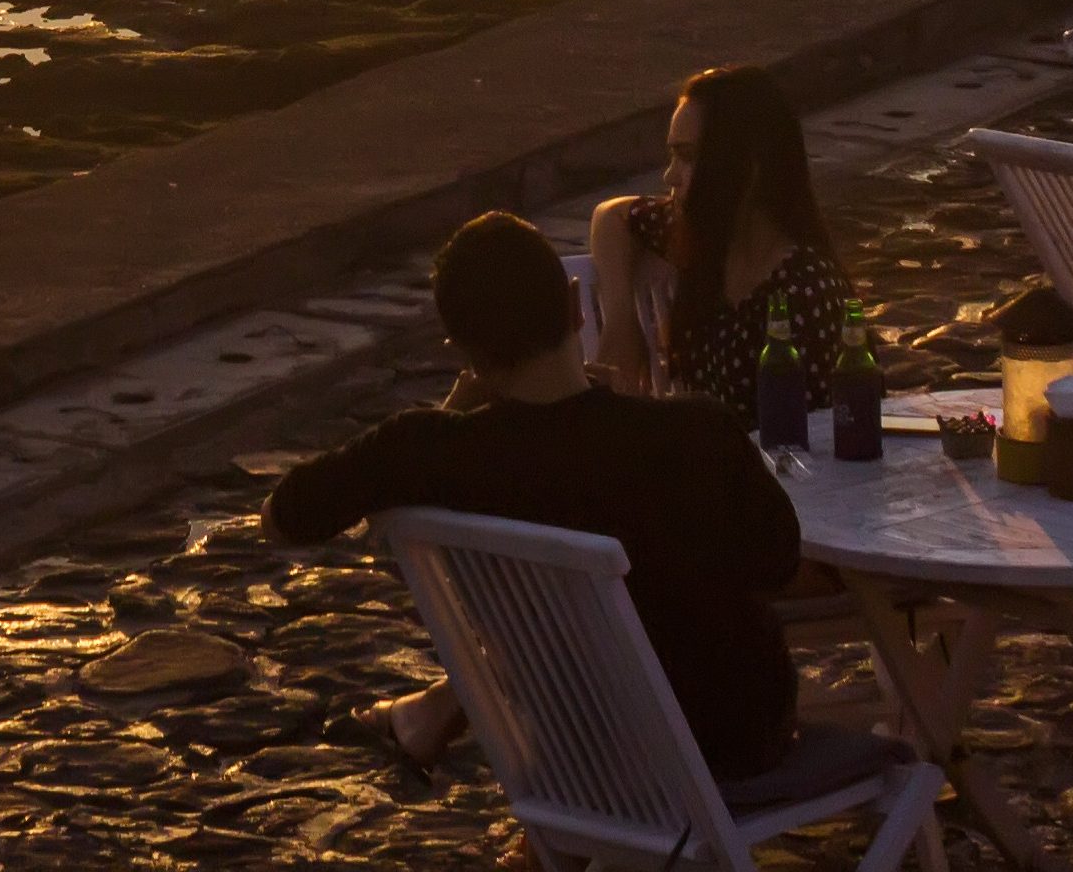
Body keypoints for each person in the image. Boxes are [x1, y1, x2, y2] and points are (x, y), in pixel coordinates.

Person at [266, 211, 814, 780]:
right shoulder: (697, 432)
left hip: (572, 758)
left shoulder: (432, 450)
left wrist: (454, 408)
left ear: (464, 349)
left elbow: (283, 517)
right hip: (732, 746)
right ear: (577, 307)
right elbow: (777, 561)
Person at [588, 66, 851, 417]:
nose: (669, 175)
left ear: (751, 164)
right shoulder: (706, 238)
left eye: (688, 157)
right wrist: (621, 318)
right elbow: (611, 215)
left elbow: (818, 438)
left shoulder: (806, 289)